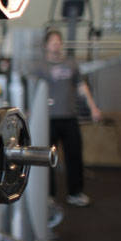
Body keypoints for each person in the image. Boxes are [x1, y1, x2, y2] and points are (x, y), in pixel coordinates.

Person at [35, 29, 101, 207]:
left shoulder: (71, 64)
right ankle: (49, 195)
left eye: (59, 41)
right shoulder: (40, 67)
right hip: (48, 119)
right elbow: (34, 93)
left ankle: (75, 193)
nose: (57, 44)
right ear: (46, 45)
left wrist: (93, 107)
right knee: (46, 158)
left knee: (75, 156)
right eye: (53, 41)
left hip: (70, 117)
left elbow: (81, 87)